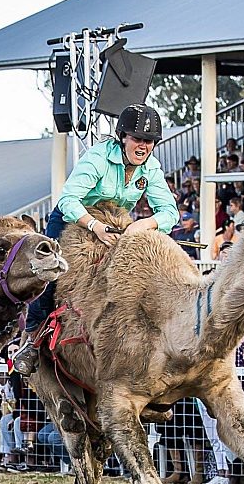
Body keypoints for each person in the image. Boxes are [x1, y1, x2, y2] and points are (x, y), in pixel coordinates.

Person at [14, 103, 178, 375]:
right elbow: (68, 200)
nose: (143, 146)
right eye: (137, 138)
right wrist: (94, 225)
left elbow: (170, 213)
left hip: (117, 225)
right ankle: (31, 342)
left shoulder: (151, 168)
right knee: (50, 274)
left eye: (149, 141)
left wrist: (142, 226)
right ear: (123, 136)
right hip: (74, 222)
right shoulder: (98, 157)